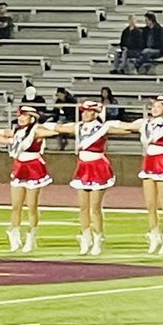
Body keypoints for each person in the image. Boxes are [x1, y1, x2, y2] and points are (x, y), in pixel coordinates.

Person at [44, 101, 130, 255]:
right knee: (83, 207)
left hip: (98, 166)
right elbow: (60, 128)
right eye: (83, 111)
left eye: (88, 111)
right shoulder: (78, 126)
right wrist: (43, 125)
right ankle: (85, 237)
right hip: (83, 166)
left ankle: (98, 239)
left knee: (95, 207)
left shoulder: (103, 128)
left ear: (95, 113)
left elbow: (126, 130)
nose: (84, 113)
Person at [125, 94, 163, 256]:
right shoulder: (144, 124)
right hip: (149, 161)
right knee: (150, 204)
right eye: (153, 106)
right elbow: (126, 127)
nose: (154, 108)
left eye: (158, 106)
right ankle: (154, 235)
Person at [3, 103, 52, 254]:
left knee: (32, 206)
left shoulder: (36, 130)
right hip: (19, 167)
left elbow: (53, 131)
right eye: (20, 115)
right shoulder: (16, 131)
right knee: (16, 206)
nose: (21, 118)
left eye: (24, 115)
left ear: (32, 119)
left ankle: (31, 236)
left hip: (33, 167)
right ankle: (14, 234)